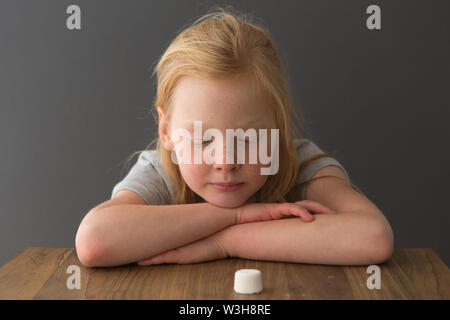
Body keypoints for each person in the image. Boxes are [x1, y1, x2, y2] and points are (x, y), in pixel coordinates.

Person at [75, 7, 394, 268]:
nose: (226, 161)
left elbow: (372, 237)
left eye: (248, 138)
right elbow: (94, 241)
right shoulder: (162, 171)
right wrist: (235, 214)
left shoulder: (304, 165)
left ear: (279, 125)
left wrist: (225, 240)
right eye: (202, 139)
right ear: (166, 131)